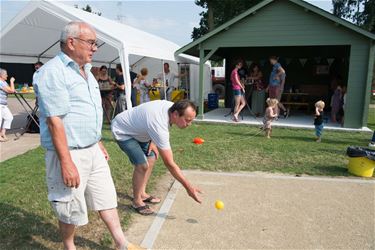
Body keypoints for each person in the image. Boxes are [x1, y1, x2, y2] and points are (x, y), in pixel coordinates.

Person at [34, 21, 141, 250]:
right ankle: (69, 246)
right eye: (91, 43)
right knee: (69, 205)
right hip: (69, 152)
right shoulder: (52, 73)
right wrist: (66, 162)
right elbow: (55, 122)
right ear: (72, 42)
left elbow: (87, 111)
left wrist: (97, 141)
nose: (95, 48)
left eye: (95, 44)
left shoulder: (87, 72)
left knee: (106, 196)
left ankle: (122, 243)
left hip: (91, 149)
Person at [111, 99, 202, 215]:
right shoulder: (159, 124)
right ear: (175, 114)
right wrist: (189, 187)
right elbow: (169, 163)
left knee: (152, 156)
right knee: (142, 165)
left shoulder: (172, 108)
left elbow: (150, 121)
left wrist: (153, 142)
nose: (189, 124)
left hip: (140, 131)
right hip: (123, 131)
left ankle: (142, 193)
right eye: (187, 120)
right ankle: (137, 201)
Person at [0, 68, 15, 142]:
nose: (7, 75)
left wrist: (11, 86)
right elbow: (11, 90)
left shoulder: (4, 82)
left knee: (9, 117)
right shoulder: (0, 82)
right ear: (1, 75)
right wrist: (11, 81)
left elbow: (10, 90)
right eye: (6, 74)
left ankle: (2, 133)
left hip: (3, 104)